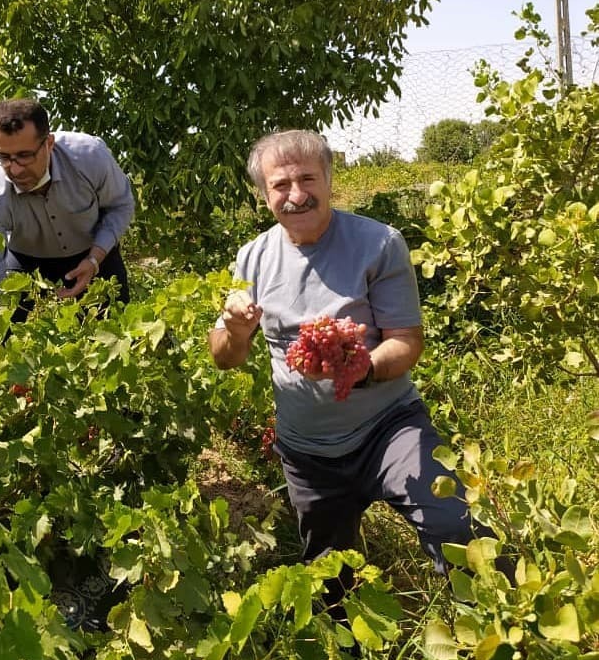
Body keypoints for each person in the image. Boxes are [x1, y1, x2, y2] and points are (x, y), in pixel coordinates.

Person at [208, 129, 487, 603]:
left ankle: (499, 628)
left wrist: (357, 367)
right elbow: (223, 357)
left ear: (330, 179)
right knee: (329, 579)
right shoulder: (252, 258)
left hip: (387, 430)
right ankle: (349, 647)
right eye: (280, 185)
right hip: (307, 451)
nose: (296, 195)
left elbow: (406, 343)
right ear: (264, 194)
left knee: (456, 526)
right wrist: (235, 331)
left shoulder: (378, 243)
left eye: (307, 179)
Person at [0, 98, 135, 330]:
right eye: (3, 157)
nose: (14, 169)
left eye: (25, 155)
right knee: (3, 333)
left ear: (49, 143)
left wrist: (95, 259)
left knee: (117, 330)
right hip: (25, 261)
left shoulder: (89, 157)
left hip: (94, 253)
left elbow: (120, 205)